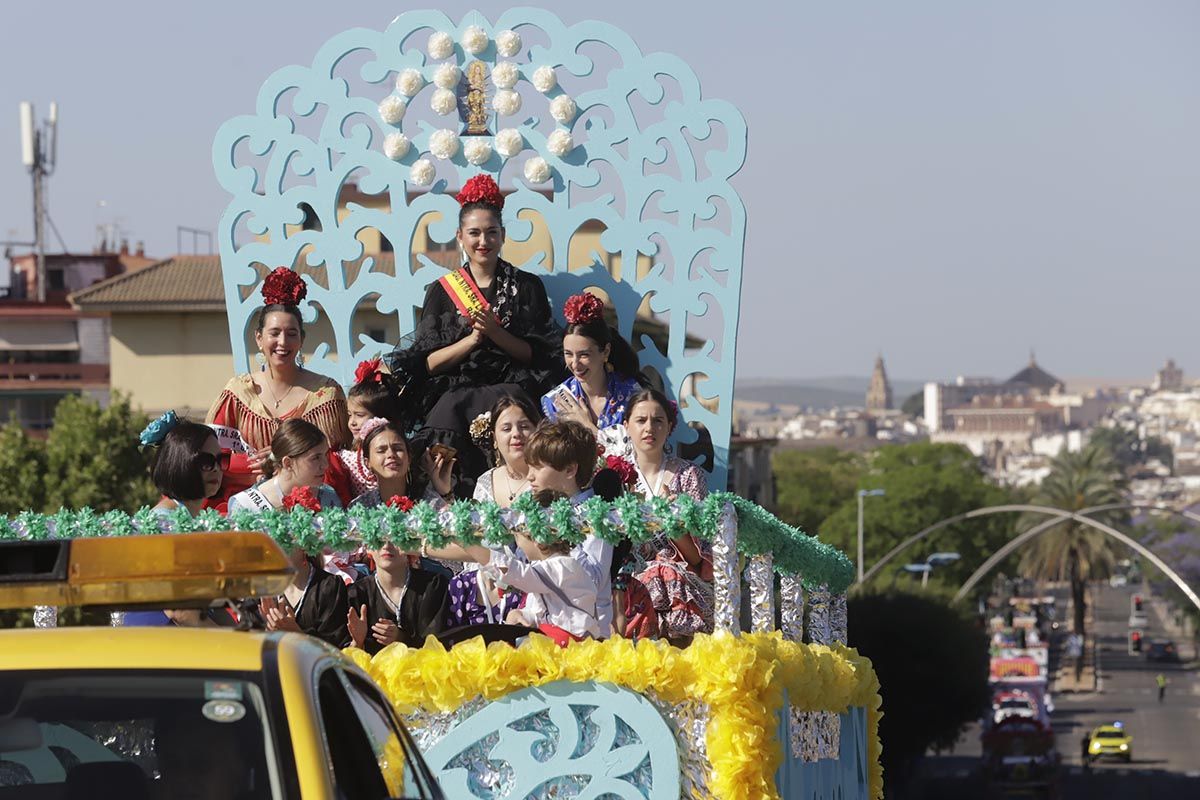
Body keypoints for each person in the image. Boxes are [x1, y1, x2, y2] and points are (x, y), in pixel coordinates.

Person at [387, 174, 564, 490]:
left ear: (503, 235)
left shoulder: (526, 286)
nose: (483, 241)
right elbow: (427, 363)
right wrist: (472, 340)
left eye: (491, 232)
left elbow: (537, 356)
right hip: (455, 396)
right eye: (474, 233)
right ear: (459, 236)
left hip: (512, 393)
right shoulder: (442, 291)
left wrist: (496, 333)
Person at [206, 267, 352, 512]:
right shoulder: (238, 394)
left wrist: (289, 465)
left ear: (302, 340)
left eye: (291, 334)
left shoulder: (326, 395)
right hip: (248, 511)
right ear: (259, 339)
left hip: (311, 512)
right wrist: (255, 467)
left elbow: (341, 461)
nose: (283, 342)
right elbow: (212, 457)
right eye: (274, 333)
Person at [623, 388, 713, 642]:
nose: (649, 428)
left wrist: (668, 522)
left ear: (670, 426)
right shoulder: (613, 475)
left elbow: (698, 556)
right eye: (641, 420)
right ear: (626, 425)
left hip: (681, 582)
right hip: (627, 579)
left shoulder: (690, 476)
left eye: (658, 420)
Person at [478, 489, 600, 645]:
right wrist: (521, 615)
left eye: (517, 536)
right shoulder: (547, 567)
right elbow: (545, 612)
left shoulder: (561, 566)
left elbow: (517, 573)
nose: (518, 544)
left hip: (570, 648)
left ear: (537, 539)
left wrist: (472, 548)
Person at [541, 292, 642, 437]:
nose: (575, 364)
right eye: (568, 354)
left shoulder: (631, 394)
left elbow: (636, 453)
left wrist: (587, 425)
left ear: (605, 352)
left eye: (584, 355)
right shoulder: (556, 401)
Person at [346, 541, 450, 655]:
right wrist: (357, 642)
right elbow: (342, 661)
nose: (386, 546)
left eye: (395, 538)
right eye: (378, 540)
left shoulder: (433, 585)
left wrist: (402, 638)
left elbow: (439, 647)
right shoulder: (356, 593)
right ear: (367, 547)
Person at [330, 358, 407, 503]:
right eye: (349, 415)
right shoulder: (346, 459)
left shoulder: (401, 454)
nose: (352, 422)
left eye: (359, 415)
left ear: (381, 417)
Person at [226, 419, 341, 513]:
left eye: (325, 455)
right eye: (316, 458)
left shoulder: (329, 497)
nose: (325, 465)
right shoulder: (245, 505)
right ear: (288, 463)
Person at [348, 418, 454, 508]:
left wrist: (445, 492)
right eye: (381, 450)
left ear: (409, 458)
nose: (391, 454)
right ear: (367, 463)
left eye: (398, 448)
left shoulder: (430, 503)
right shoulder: (360, 507)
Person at [260, 546, 350, 648]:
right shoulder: (263, 588)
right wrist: (269, 631)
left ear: (303, 547)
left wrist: (298, 634)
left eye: (283, 543)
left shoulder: (328, 587)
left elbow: (336, 647)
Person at [139, 412, 224, 517]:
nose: (216, 468)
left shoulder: (195, 517)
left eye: (220, 460)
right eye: (206, 461)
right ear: (180, 462)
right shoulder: (162, 521)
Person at [471, 395, 541, 506]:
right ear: (494, 438)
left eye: (524, 426)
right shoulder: (485, 483)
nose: (516, 434)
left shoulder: (551, 479)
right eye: (506, 429)